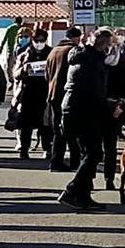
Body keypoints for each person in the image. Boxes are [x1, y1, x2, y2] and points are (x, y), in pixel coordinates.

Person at [57, 28, 122, 210]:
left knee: (89, 152)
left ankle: (83, 195)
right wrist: (110, 107)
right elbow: (92, 93)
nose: (112, 49)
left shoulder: (82, 56)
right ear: (105, 45)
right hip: (82, 112)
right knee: (94, 153)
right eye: (111, 45)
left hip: (74, 110)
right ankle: (72, 191)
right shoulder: (91, 62)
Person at [103, 34, 125, 190]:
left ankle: (109, 178)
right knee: (93, 148)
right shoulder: (96, 59)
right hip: (96, 107)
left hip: (116, 107)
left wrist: (121, 104)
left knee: (110, 146)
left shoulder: (123, 62)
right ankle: (88, 179)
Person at [46, 27, 82, 171]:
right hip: (67, 95)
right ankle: (74, 161)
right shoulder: (72, 52)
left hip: (53, 94)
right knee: (72, 130)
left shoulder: (53, 51)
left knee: (58, 129)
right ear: (76, 38)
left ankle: (55, 161)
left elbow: (47, 75)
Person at [12, 28, 50, 159]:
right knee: (26, 125)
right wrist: (23, 70)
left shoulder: (50, 53)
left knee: (45, 124)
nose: (39, 43)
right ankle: (24, 149)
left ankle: (47, 149)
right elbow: (15, 74)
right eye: (36, 40)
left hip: (45, 93)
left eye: (42, 40)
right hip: (27, 94)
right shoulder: (24, 54)